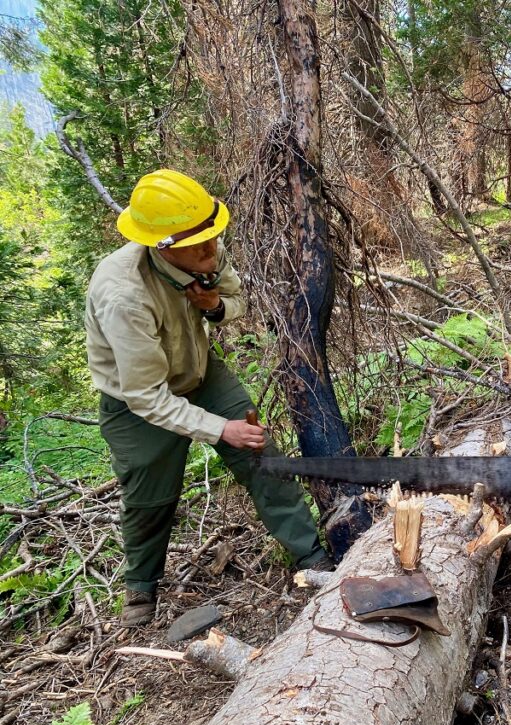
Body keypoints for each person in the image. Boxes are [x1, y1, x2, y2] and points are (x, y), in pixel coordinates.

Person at [85, 169, 331, 627]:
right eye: (200, 245)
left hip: (200, 372)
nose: (213, 249)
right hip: (136, 402)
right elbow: (145, 395)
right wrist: (220, 429)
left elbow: (235, 297)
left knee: (260, 453)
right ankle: (141, 587)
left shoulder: (202, 244)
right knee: (149, 494)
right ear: (162, 245)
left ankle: (312, 559)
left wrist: (213, 307)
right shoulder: (123, 295)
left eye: (214, 238)